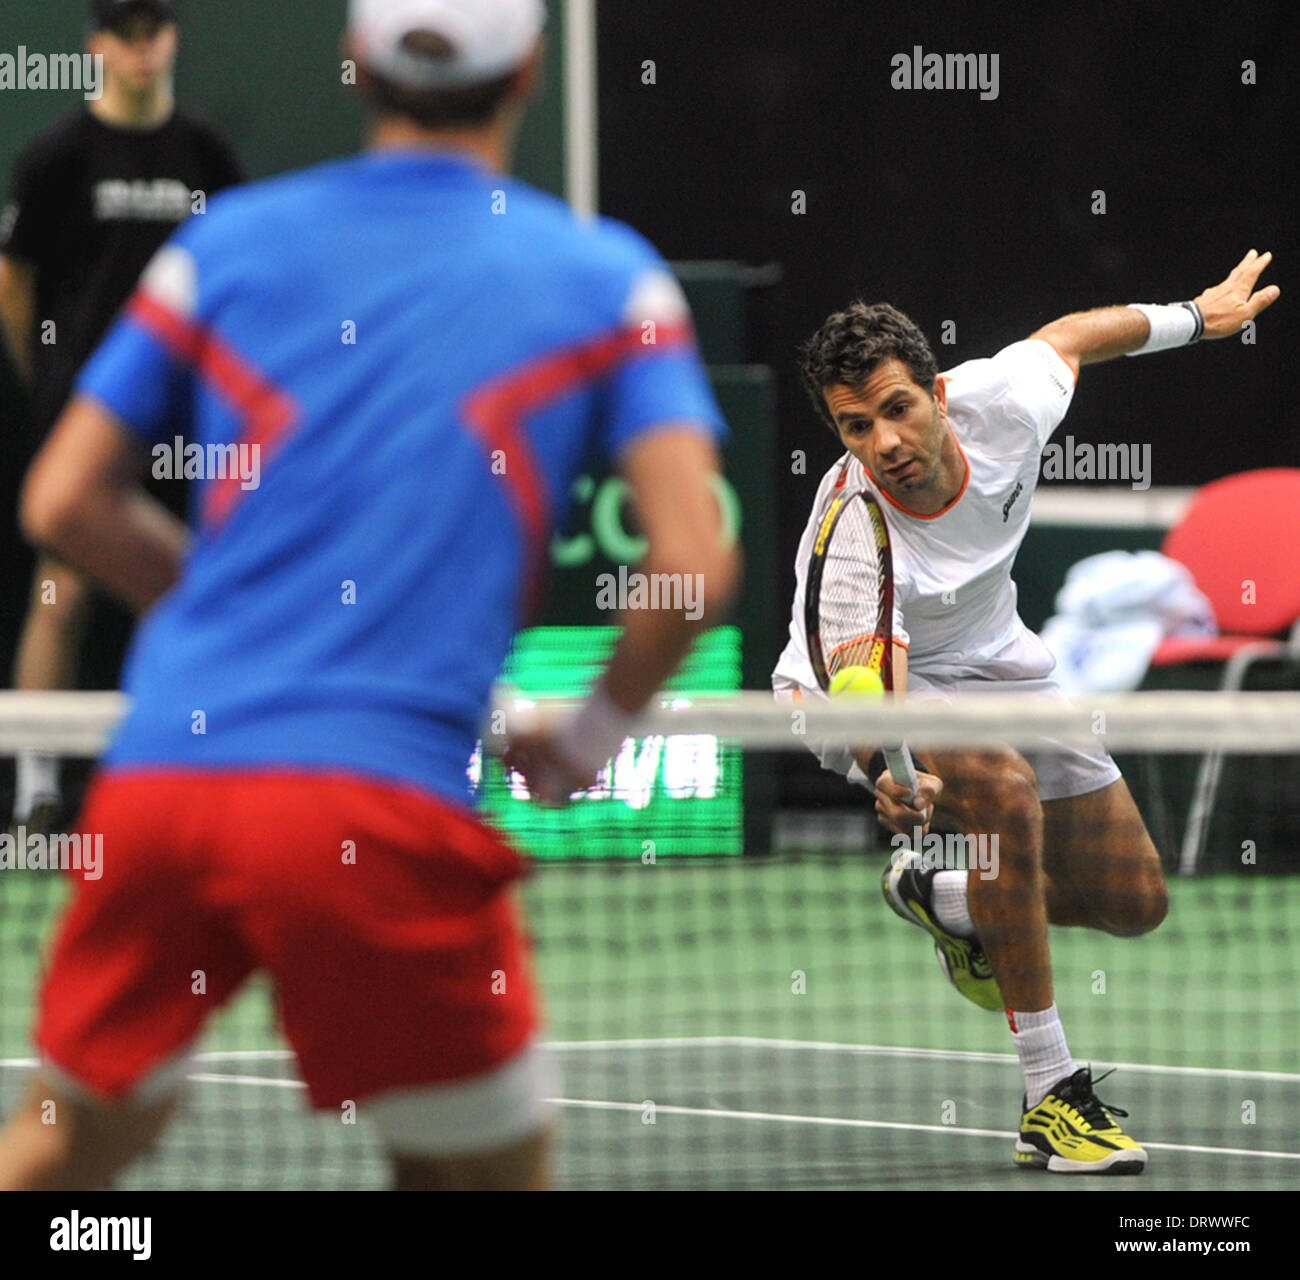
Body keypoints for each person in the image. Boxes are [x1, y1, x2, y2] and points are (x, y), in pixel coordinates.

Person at [0, 0, 738, 1192]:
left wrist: (234, 612)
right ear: (531, 72)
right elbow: (696, 567)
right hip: (368, 811)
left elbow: (63, 500)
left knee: (63, 1151)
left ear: (354, 67)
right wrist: (593, 730)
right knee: (477, 1175)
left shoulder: (220, 244)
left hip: (162, 789)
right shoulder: (612, 284)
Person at [775, 252, 1279, 1173]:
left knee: (1135, 901)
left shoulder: (1004, 400)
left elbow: (1074, 339)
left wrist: (1195, 317)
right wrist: (892, 773)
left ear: (936, 390)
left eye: (897, 408)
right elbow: (860, 678)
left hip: (998, 659)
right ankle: (1050, 1095)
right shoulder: (851, 528)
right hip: (850, 686)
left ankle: (948, 896)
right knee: (1000, 789)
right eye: (855, 427)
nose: (884, 441)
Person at [0, 0, 243, 834]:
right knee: (60, 594)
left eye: (154, 33)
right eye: (123, 35)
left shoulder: (206, 156)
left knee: (173, 597)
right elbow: (16, 285)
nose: (140, 51)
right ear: (98, 46)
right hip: (86, 425)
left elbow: (232, 282)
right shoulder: (56, 160)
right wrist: (56, 390)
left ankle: (171, 785)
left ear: (171, 39)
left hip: (188, 424)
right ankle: (34, 790)